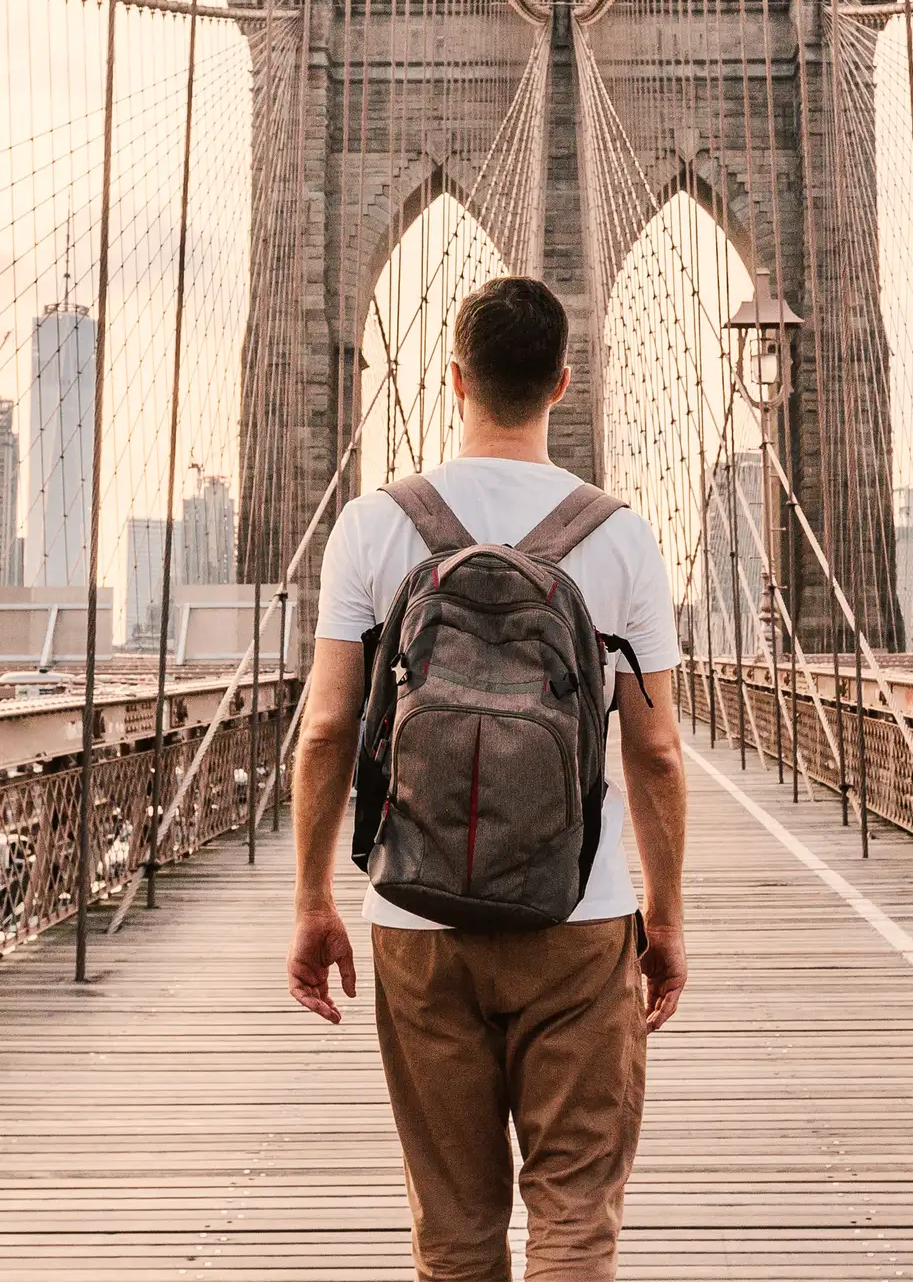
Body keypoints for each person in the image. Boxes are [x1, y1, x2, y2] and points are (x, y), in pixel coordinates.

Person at [288, 275, 689, 1281]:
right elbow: (655, 752)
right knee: (574, 1222)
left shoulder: (375, 526)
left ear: (454, 378)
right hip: (579, 919)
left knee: (456, 1234)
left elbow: (329, 727)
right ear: (562, 383)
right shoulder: (620, 535)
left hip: (420, 921)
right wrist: (665, 920)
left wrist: (312, 901)